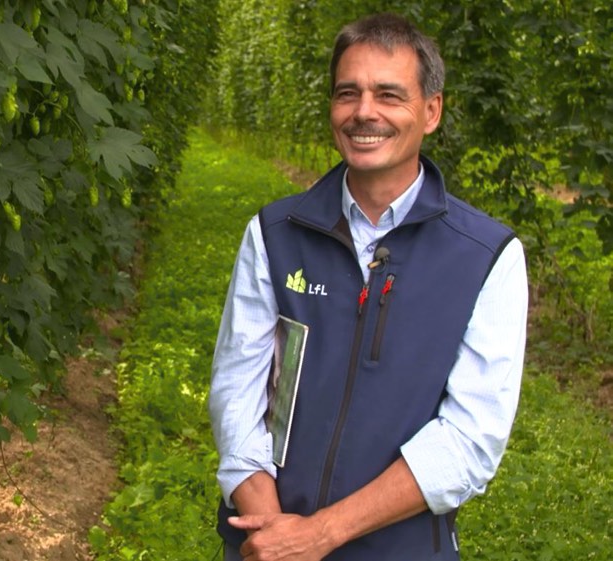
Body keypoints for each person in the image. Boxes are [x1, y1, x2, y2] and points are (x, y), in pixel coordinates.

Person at [208, 12, 528, 561]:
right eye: (347, 93)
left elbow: (469, 438)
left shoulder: (486, 256)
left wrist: (320, 534)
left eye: (388, 94)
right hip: (265, 544)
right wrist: (274, 533)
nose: (364, 112)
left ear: (431, 111)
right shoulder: (275, 234)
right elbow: (237, 392)